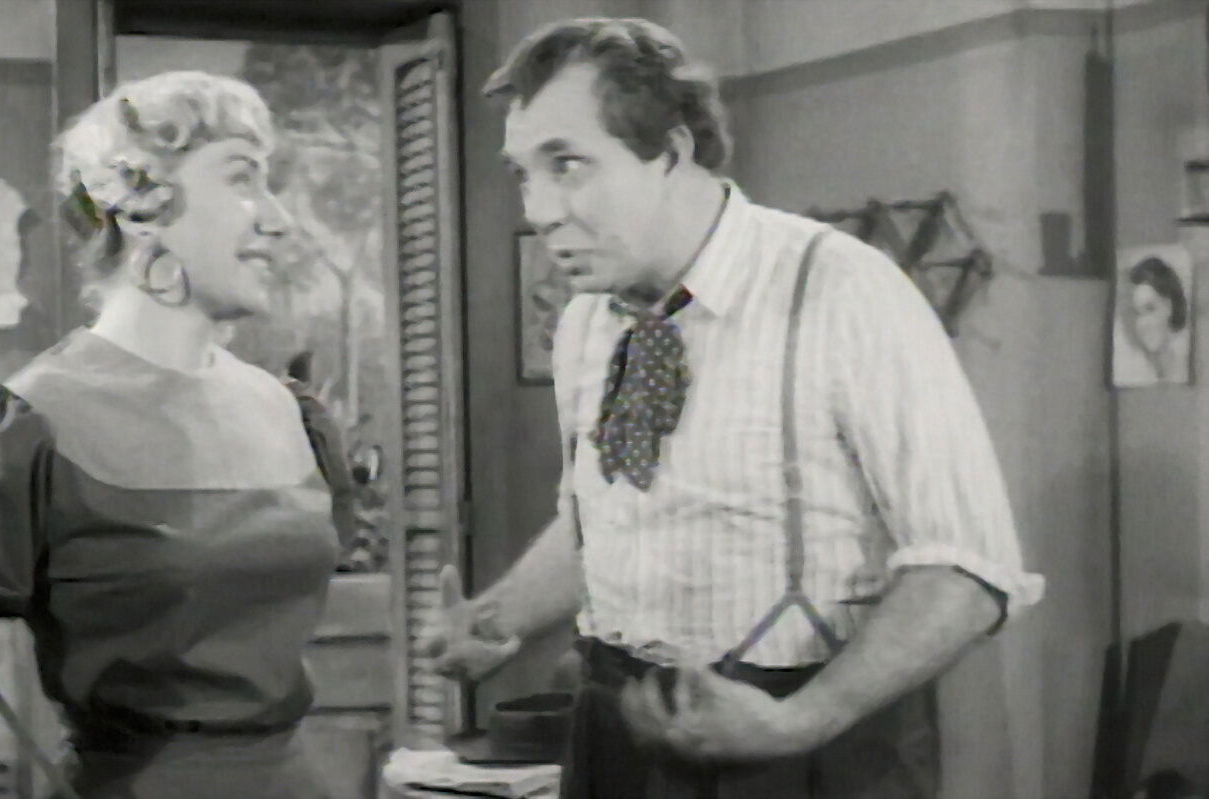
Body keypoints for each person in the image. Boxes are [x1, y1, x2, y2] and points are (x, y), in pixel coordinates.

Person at [420, 17, 1044, 798]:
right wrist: (498, 617)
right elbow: (602, 520)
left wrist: (798, 721)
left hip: (805, 740)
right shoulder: (586, 323)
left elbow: (964, 569)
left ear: (671, 152)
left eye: (567, 165)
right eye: (523, 174)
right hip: (615, 736)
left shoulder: (838, 288)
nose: (539, 209)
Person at [0, 71, 341, 798]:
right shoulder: (20, 427)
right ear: (143, 206)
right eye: (243, 177)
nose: (278, 219)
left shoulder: (290, 411)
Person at [1121, 255, 1190, 383]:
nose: (1142, 323)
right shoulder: (1133, 374)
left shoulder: (1189, 366)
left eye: (1150, 309)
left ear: (1171, 307)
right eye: (1137, 313)